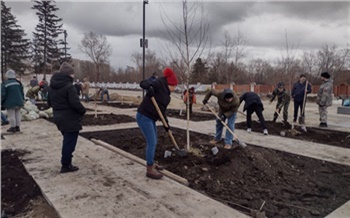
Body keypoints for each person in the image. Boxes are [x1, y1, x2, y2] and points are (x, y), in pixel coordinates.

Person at [136, 67, 178, 180]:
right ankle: (149, 169)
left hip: (151, 118)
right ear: (170, 84)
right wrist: (149, 87)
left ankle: (152, 163)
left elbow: (161, 111)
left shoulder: (167, 96)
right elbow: (143, 83)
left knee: (154, 141)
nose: (175, 88)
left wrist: (166, 125)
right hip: (144, 116)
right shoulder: (159, 83)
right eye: (174, 86)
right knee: (152, 142)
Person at [48, 62, 86, 173]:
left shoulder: (52, 87)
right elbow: (75, 103)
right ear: (69, 75)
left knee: (67, 140)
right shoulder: (69, 87)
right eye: (73, 74)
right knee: (69, 143)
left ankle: (66, 162)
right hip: (70, 119)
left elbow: (49, 102)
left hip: (58, 117)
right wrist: (83, 111)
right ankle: (66, 165)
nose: (74, 76)